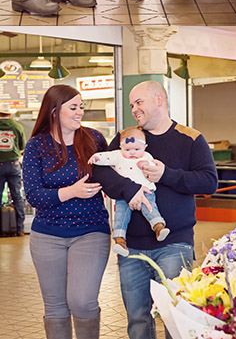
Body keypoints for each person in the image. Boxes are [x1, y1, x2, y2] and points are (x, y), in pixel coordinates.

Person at [92, 80, 218, 339]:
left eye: (139, 102)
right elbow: (100, 169)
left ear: (159, 100)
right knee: (137, 321)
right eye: (131, 105)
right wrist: (130, 190)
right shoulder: (128, 137)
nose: (134, 109)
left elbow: (208, 182)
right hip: (130, 246)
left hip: (174, 243)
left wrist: (166, 175)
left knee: (176, 317)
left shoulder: (191, 139)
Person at [22, 85, 111, 339]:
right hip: (47, 236)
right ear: (53, 111)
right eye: (73, 107)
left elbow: (114, 177)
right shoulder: (36, 147)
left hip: (90, 231)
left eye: (81, 106)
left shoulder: (94, 140)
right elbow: (34, 195)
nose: (79, 112)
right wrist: (70, 191)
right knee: (56, 308)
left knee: (82, 301)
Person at [89, 125, 170, 257]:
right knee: (120, 215)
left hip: (146, 191)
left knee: (150, 208)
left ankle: (158, 226)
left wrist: (145, 165)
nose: (132, 153)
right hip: (124, 196)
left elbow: (155, 167)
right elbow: (106, 157)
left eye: (136, 149)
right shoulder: (119, 156)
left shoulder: (146, 156)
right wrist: (96, 158)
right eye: (127, 149)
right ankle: (120, 240)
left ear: (144, 147)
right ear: (121, 147)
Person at [0, 102, 26, 236]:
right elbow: (22, 147)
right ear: (9, 114)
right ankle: (20, 229)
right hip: (14, 165)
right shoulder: (17, 126)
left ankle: (1, 229)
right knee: (17, 197)